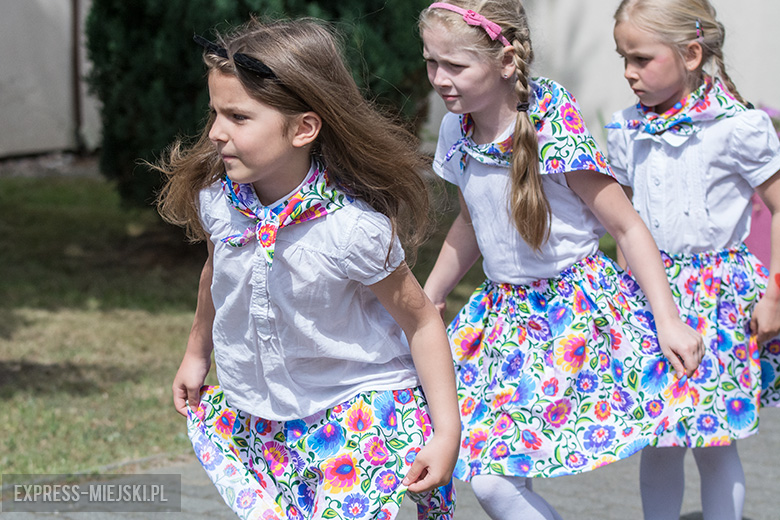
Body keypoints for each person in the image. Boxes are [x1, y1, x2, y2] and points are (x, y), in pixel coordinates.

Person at [154, 17, 460, 520]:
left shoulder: (351, 231)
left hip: (359, 415)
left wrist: (447, 432)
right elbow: (217, 275)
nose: (215, 132)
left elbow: (422, 322)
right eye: (214, 113)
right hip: (264, 418)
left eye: (238, 117)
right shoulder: (220, 204)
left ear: (303, 128)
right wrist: (195, 353)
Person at [418, 1, 704, 519]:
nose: (440, 78)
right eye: (430, 63)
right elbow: (470, 224)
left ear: (506, 61)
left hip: (572, 316)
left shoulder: (552, 125)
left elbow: (626, 225)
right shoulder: (456, 131)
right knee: (484, 476)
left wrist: (669, 320)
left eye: (455, 66)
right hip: (502, 322)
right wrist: (431, 294)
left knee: (494, 478)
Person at [607, 1, 780, 518]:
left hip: (718, 303)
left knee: (713, 441)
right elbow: (623, 224)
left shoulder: (738, 126)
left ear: (691, 53)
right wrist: (620, 299)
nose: (628, 72)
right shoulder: (623, 128)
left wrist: (774, 296)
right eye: (622, 57)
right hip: (649, 301)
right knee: (657, 437)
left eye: (640, 58)